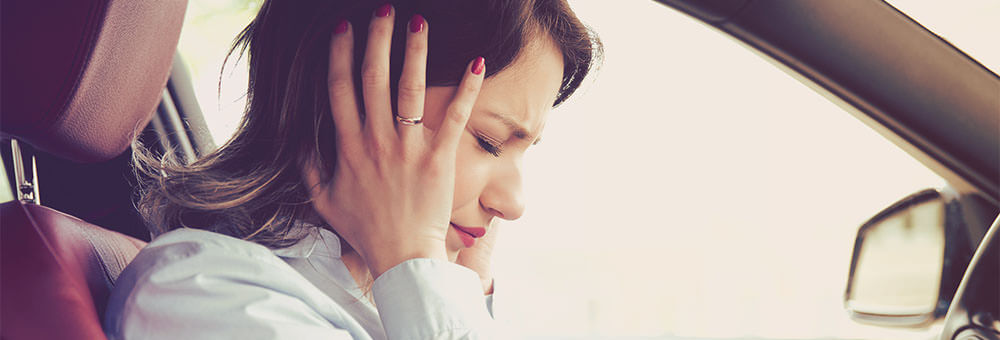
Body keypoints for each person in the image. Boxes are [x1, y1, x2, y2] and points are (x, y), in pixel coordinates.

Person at [104, 0, 601, 339]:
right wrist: (415, 266)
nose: (514, 204)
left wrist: (451, 288)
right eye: (489, 141)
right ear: (360, 100)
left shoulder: (382, 294)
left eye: (525, 149)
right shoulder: (201, 296)